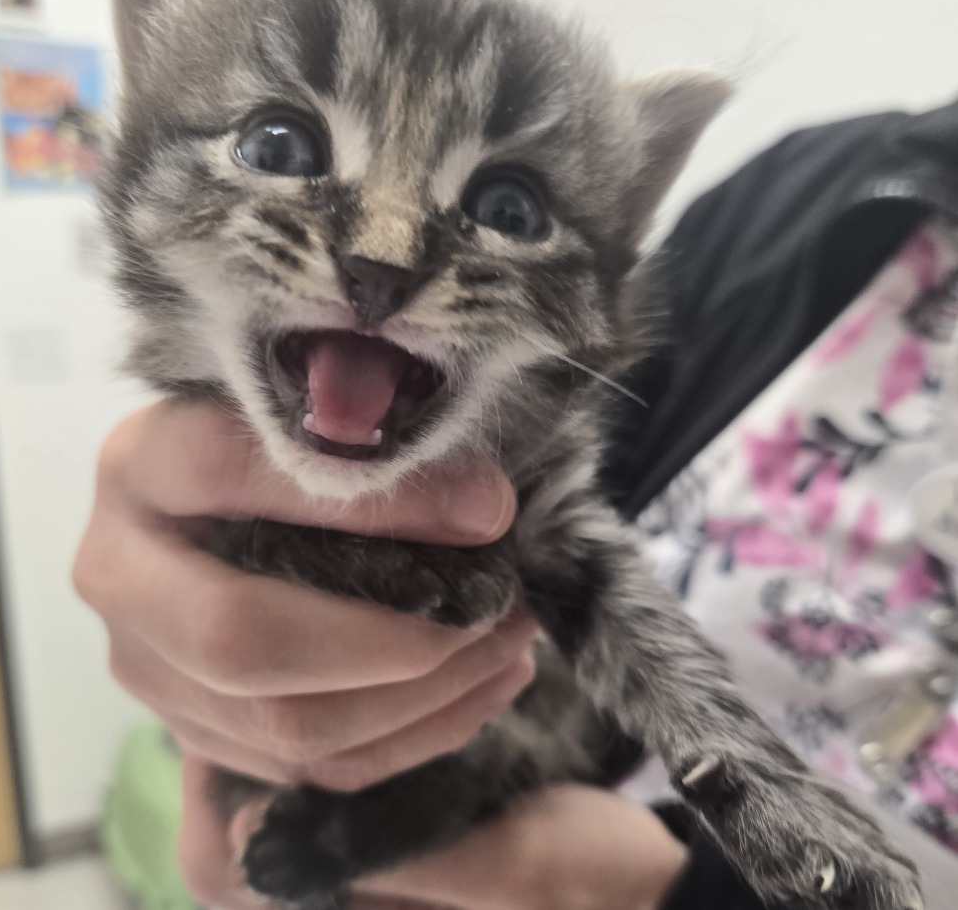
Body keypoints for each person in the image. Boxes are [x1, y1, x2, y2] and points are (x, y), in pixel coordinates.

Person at [75, 99, 958, 908]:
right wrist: (195, 634)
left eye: (507, 211)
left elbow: (577, 557)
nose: (383, 253)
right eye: (282, 149)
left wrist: (650, 888)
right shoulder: (813, 192)